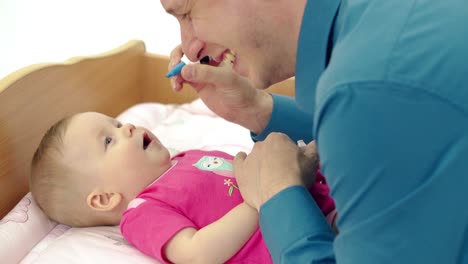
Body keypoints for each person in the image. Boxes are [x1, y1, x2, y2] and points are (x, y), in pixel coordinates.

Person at [161, 0, 468, 262]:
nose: (189, 47)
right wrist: (258, 110)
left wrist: (279, 196)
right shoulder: (389, 26)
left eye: (187, 12)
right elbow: (404, 133)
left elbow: (380, 110)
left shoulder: (369, 88)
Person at [30, 111, 337, 263]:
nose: (127, 127)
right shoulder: (142, 211)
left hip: (318, 202)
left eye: (117, 122)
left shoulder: (184, 158)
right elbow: (196, 253)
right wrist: (259, 198)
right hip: (291, 243)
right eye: (109, 140)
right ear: (105, 198)